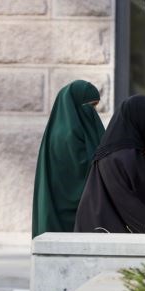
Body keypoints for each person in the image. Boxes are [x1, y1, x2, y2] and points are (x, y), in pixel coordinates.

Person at [74, 95, 145, 234]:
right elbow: (130, 202)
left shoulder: (119, 150)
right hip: (107, 236)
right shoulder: (123, 156)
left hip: (101, 229)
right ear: (137, 120)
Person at [32, 80, 105, 238]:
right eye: (91, 106)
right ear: (75, 106)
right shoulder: (67, 136)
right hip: (66, 213)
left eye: (95, 107)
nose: (93, 112)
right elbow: (82, 171)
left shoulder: (58, 132)